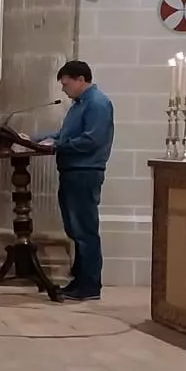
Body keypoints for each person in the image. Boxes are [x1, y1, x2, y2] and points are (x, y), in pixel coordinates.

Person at [36, 61, 114, 302]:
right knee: (75, 229)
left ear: (81, 79)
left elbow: (91, 140)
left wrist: (57, 145)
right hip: (72, 171)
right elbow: (64, 136)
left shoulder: (98, 104)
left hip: (85, 172)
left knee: (84, 231)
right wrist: (36, 140)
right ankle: (80, 280)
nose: (64, 89)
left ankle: (89, 285)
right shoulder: (79, 105)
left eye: (66, 84)